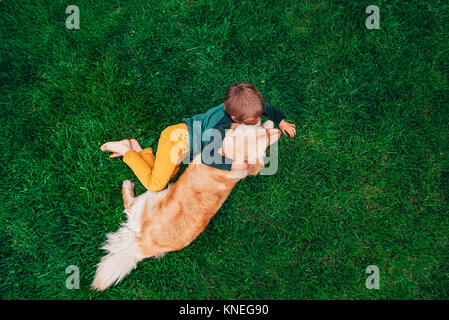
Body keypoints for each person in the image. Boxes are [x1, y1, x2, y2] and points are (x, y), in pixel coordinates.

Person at [100, 83, 296, 191]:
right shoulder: (219, 127)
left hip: (179, 138)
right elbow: (209, 158)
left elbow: (264, 106)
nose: (256, 121)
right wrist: (233, 165)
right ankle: (127, 151)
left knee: (170, 175)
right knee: (156, 185)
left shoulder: (239, 106)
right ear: (235, 118)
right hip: (176, 143)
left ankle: (139, 150)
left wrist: (280, 121)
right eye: (252, 121)